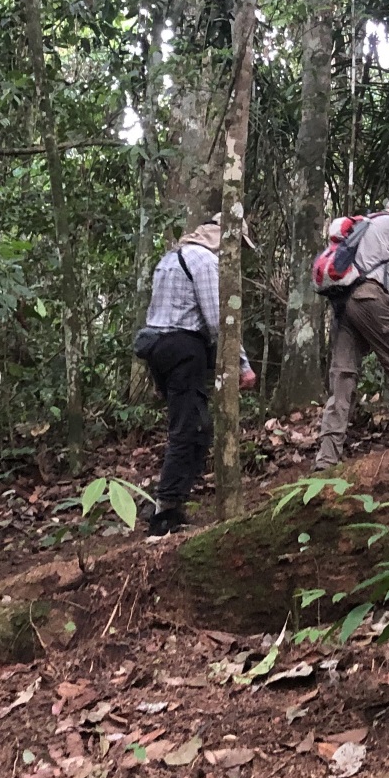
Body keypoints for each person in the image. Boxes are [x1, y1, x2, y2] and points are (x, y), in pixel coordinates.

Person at [138, 214, 257, 536]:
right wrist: (242, 365)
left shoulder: (170, 256)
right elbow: (219, 320)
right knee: (188, 428)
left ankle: (172, 503)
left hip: (159, 347)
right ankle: (164, 512)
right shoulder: (204, 260)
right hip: (183, 347)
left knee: (199, 427)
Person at [315, 189, 389, 469]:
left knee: (342, 377)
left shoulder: (366, 223)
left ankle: (326, 460)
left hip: (344, 303)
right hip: (369, 298)